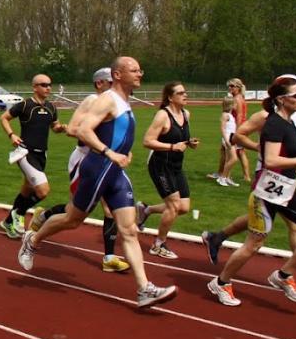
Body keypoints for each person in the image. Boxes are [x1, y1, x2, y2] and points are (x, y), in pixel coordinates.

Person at [17, 57, 177, 308]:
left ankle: (144, 288)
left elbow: (118, 134)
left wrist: (124, 152)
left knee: (129, 229)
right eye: (134, 70)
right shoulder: (106, 100)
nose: (140, 74)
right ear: (117, 74)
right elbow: (82, 130)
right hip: (97, 168)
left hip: (115, 173)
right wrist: (109, 152)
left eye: (140, 70)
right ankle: (33, 240)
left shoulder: (124, 101)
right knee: (73, 219)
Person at [207, 77, 296, 306]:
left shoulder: (289, 121)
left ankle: (283, 275)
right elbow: (270, 160)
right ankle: (221, 283)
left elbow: (291, 149)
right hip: (267, 191)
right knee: (254, 244)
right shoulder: (274, 124)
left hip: (286, 189)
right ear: (281, 100)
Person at [29, 67, 130, 273]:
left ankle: (109, 257)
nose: (115, 86)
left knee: (110, 209)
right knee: (73, 212)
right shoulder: (92, 100)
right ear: (99, 83)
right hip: (85, 160)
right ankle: (44, 216)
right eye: (111, 83)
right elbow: (73, 130)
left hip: (107, 161)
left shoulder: (118, 103)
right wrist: (98, 141)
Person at [135, 82, 199, 259]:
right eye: (181, 93)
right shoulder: (162, 116)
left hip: (176, 165)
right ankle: (158, 245)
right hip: (160, 164)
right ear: (170, 97)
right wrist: (172, 147)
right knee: (173, 205)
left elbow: (180, 139)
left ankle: (146, 210)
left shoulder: (186, 114)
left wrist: (189, 143)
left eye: (185, 92)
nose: (185, 95)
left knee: (183, 207)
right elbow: (147, 141)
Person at [0, 73, 65, 237]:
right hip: (26, 153)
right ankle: (19, 213)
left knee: (27, 190)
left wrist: (62, 128)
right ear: (34, 87)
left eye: (49, 85)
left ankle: (8, 222)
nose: (48, 88)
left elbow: (54, 127)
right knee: (43, 191)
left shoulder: (51, 107)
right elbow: (4, 118)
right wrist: (11, 135)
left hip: (42, 154)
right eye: (43, 85)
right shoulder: (24, 105)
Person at [228, 78, 251, 182]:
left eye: (232, 86)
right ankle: (246, 176)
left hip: (239, 128)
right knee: (240, 152)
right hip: (242, 127)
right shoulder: (239, 98)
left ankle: (226, 175)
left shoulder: (237, 99)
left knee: (232, 151)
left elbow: (240, 115)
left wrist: (237, 131)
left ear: (238, 87)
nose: (230, 88)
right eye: (229, 86)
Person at [215, 96, 239, 187]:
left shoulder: (231, 115)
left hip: (231, 138)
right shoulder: (225, 115)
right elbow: (222, 128)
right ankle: (222, 177)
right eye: (235, 103)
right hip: (228, 139)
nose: (236, 105)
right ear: (231, 105)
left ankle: (228, 178)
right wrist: (226, 140)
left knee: (228, 159)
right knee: (234, 159)